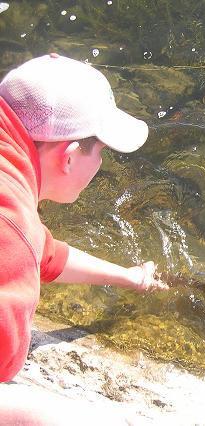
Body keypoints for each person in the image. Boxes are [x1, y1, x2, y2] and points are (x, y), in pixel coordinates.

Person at [0, 53, 168, 383]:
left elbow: (41, 252)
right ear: (69, 157)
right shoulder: (13, 232)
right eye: (100, 152)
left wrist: (130, 277)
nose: (101, 164)